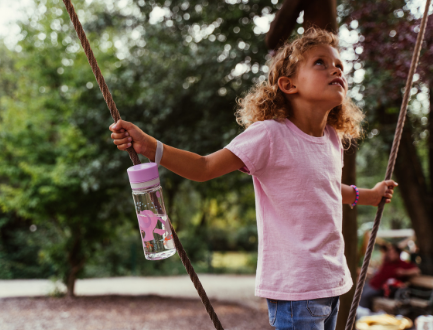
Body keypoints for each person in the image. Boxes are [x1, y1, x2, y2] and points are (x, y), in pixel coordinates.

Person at [109, 28, 398, 329]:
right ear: (288, 84)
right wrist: (149, 146)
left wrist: (370, 195)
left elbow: (322, 188)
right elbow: (204, 167)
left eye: (340, 66)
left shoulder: (331, 139)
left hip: (332, 282)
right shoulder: (270, 135)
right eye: (321, 63)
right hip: (296, 289)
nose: (336, 69)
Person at [359, 244, 420, 310]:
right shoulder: (387, 262)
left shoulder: (402, 264)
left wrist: (404, 272)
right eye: (389, 253)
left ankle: (363, 312)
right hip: (373, 283)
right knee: (359, 290)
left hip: (381, 288)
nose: (390, 255)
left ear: (397, 254)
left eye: (392, 253)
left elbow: (417, 271)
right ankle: (359, 310)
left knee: (365, 295)